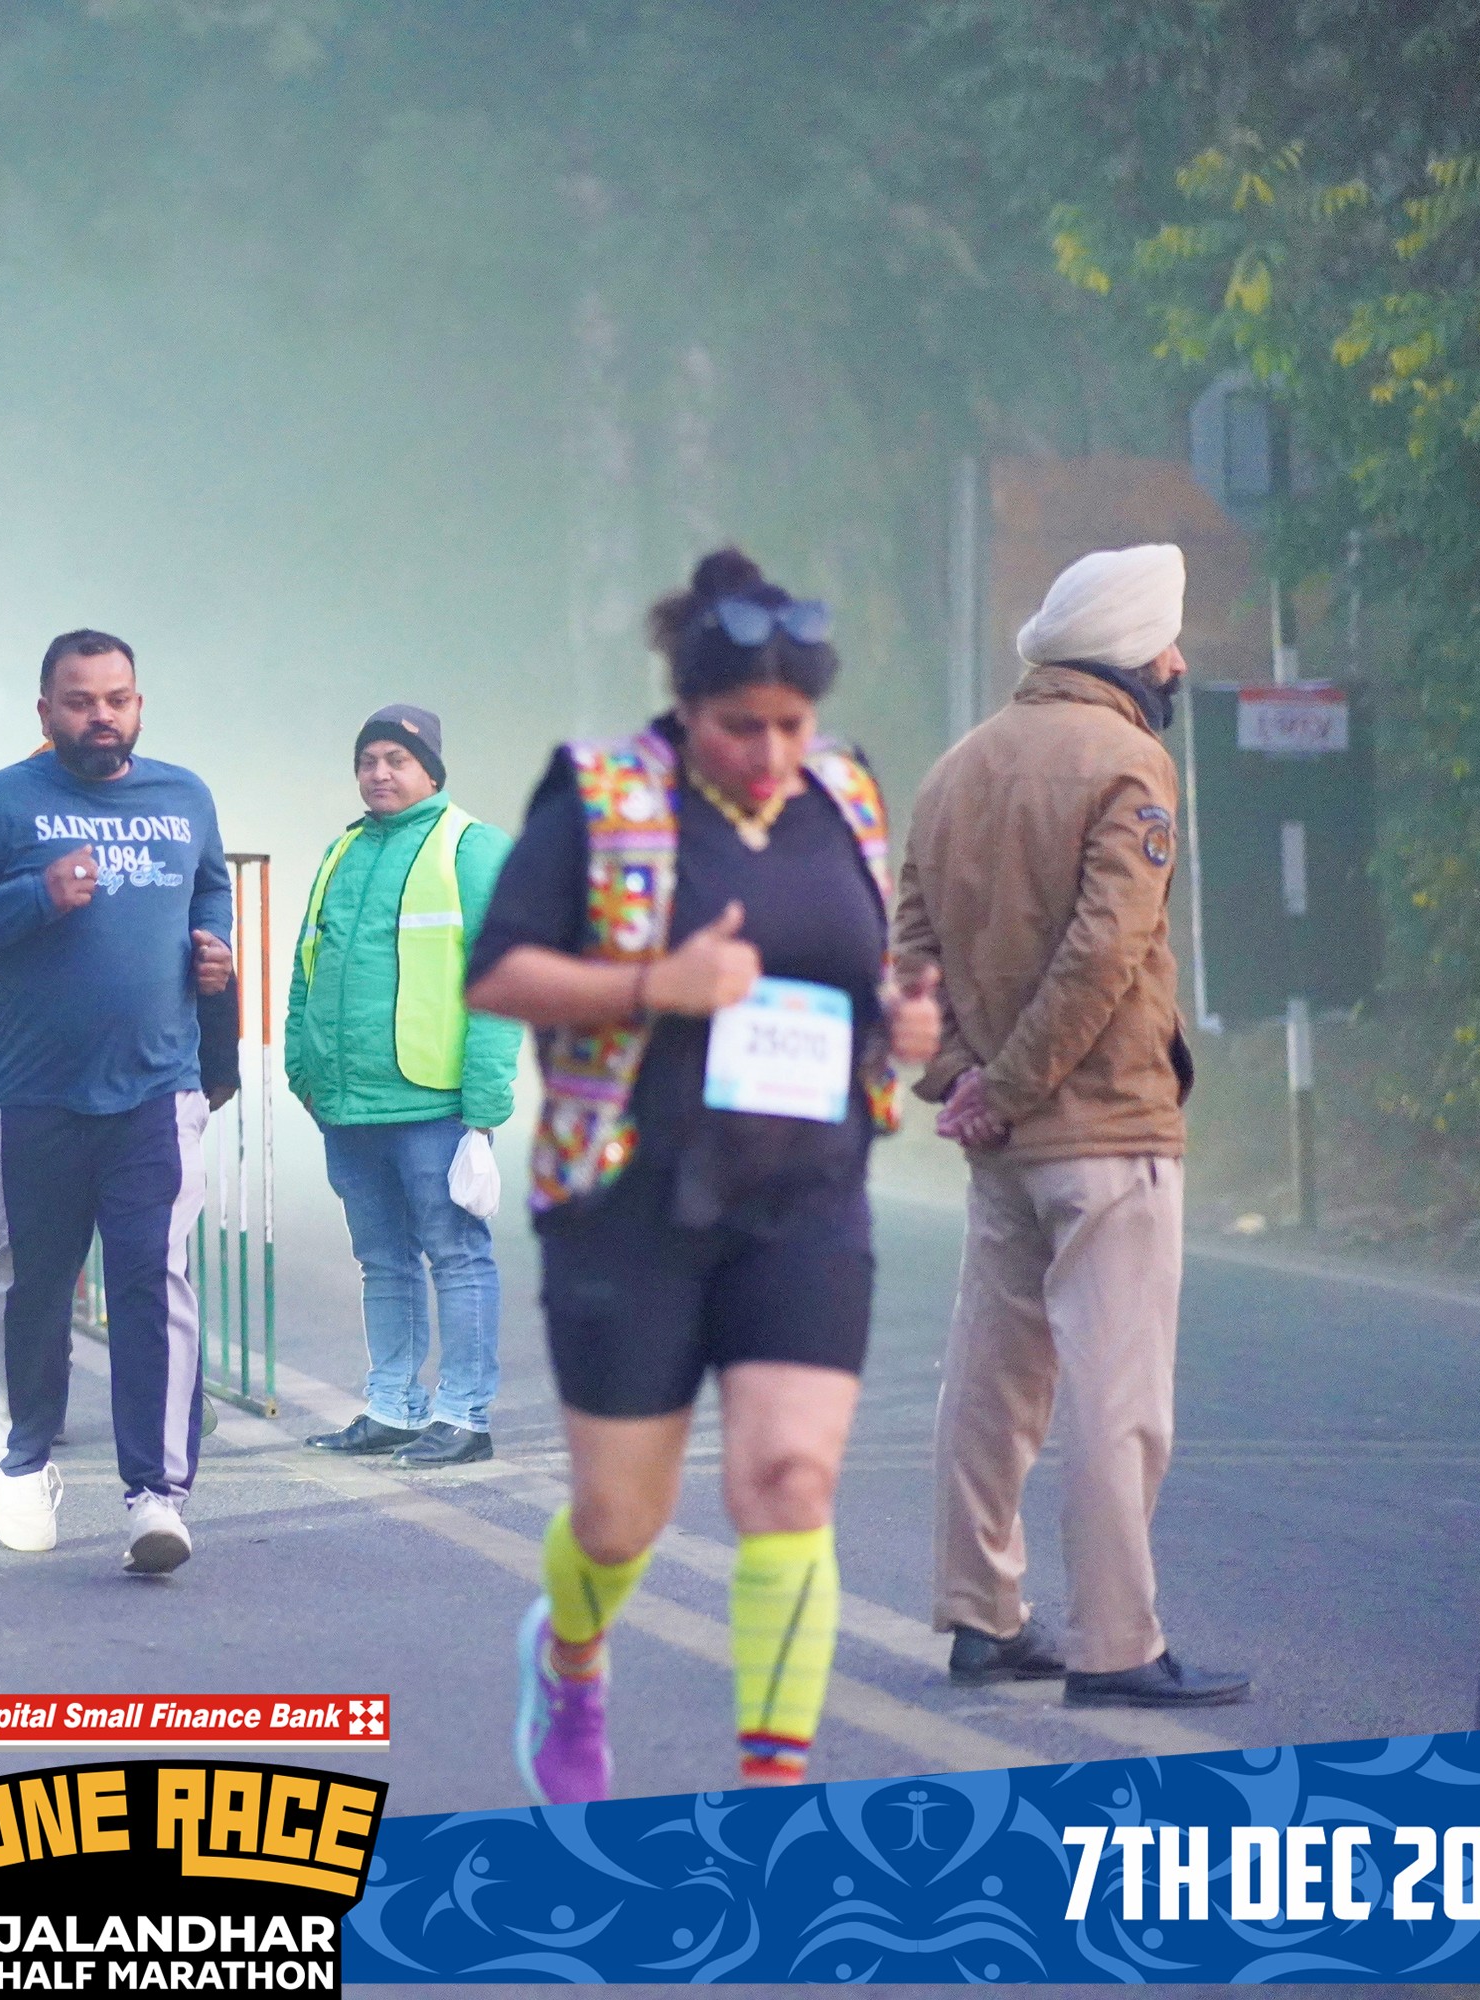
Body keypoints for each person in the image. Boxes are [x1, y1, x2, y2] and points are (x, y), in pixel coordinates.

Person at [467, 548, 943, 1800]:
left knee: (790, 1478)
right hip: (631, 1203)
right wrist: (653, 984)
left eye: (794, 723)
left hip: (807, 1193)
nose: (773, 751)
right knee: (621, 1519)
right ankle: (572, 1653)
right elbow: (495, 973)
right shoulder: (603, 794)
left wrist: (904, 1020)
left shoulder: (845, 791)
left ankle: (773, 1799)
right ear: (684, 707)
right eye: (742, 726)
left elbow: (863, 973)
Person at [892, 542, 1249, 1712]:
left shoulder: (957, 766)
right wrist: (1007, 1083)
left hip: (1001, 1145)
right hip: (1105, 1129)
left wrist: (963, 1079)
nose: (1178, 661)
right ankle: (1114, 1642)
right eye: (1167, 641)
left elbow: (911, 949)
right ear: (1131, 653)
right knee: (1116, 1394)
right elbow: (1105, 952)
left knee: (990, 1381)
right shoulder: (1131, 762)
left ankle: (982, 1614)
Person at [0, 629, 235, 1576]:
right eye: (82, 701)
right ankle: (22, 1458)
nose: (102, 716)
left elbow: (209, 892)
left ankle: (156, 1497)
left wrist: (214, 949)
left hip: (155, 1091)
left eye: (118, 699)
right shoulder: (0, 803)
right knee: (35, 1286)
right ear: (46, 710)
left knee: (152, 1281)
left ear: (139, 705)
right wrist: (36, 896)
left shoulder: (184, 797)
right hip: (31, 1097)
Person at [287, 704, 522, 1469]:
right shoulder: (341, 851)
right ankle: (393, 1406)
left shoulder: (472, 848)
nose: (379, 773)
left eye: (396, 759)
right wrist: (302, 1068)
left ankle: (463, 1415)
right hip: (348, 1104)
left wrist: (484, 1109)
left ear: (430, 770)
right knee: (382, 1260)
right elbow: (306, 967)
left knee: (456, 1255)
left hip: (434, 1103)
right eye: (368, 761)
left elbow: (502, 983)